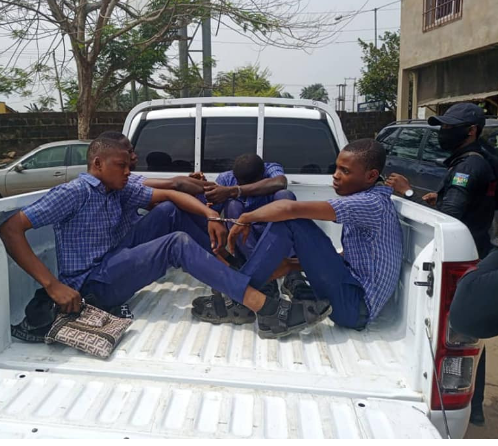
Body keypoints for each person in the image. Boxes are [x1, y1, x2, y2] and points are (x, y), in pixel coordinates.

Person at [0, 137, 330, 340]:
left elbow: (172, 196)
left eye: (129, 166)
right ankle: (265, 308)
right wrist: (51, 285)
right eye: (121, 166)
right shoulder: (72, 193)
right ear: (97, 164)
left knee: (171, 213)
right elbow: (10, 228)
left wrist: (211, 215)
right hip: (92, 283)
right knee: (176, 243)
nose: (129, 172)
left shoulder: (120, 186)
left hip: (115, 257)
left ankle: (239, 281)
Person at [386, 103, 495, 426]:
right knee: (466, 328)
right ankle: (473, 406)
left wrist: (406, 191)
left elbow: (451, 218)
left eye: (449, 128)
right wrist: (437, 196)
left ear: (471, 131)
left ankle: (469, 402)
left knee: (458, 330)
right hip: (477, 248)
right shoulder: (476, 159)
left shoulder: (469, 166)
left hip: (465, 255)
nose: (443, 133)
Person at [226, 139, 403, 331]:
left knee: (293, 221)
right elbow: (352, 257)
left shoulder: (370, 204)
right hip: (352, 300)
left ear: (371, 176)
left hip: (354, 307)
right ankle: (244, 289)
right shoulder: (374, 200)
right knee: (293, 221)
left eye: (345, 171)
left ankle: (238, 293)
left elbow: (289, 209)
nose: (335, 176)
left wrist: (246, 217)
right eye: (336, 168)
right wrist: (290, 265)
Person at [190, 154, 298, 325]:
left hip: (273, 233)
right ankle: (260, 276)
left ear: (262, 175)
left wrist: (235, 191)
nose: (241, 186)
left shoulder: (271, 169)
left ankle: (293, 274)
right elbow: (212, 211)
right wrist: (201, 192)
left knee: (285, 196)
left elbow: (280, 183)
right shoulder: (226, 178)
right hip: (246, 241)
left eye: (248, 184)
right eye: (239, 183)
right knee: (232, 205)